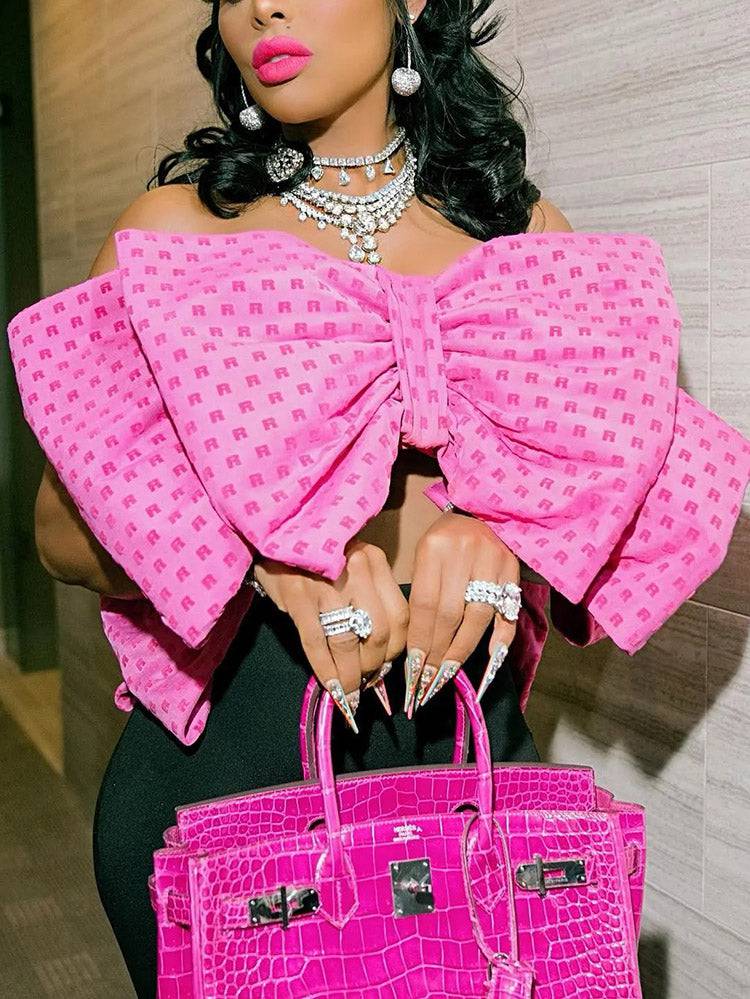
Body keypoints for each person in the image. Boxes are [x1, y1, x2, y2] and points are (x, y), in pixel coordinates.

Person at [29, 3, 552, 994]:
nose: (263, 5)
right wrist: (255, 551)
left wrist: (509, 531)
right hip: (233, 764)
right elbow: (57, 531)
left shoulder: (519, 233)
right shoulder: (171, 235)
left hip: (464, 766)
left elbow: (614, 503)